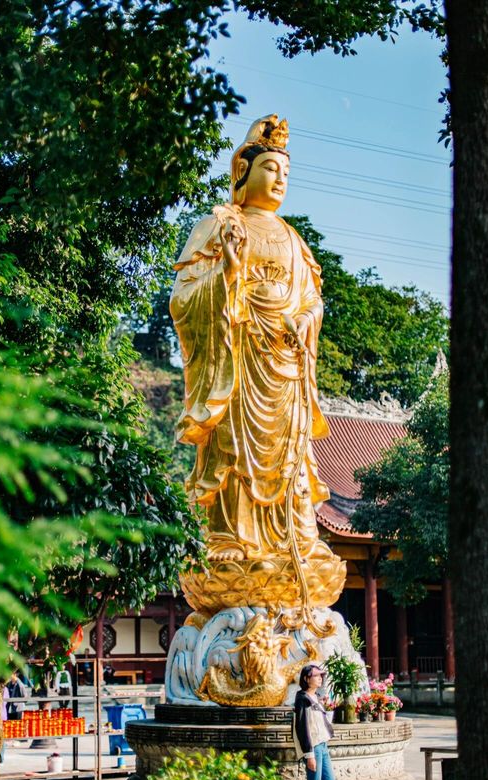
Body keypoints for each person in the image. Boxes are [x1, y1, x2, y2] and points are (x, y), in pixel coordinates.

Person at [170, 114, 343, 596]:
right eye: (271, 168)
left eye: (286, 172)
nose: (280, 179)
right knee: (233, 451)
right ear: (243, 173)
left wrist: (306, 320)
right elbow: (181, 298)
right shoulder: (219, 224)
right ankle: (231, 537)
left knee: (290, 456)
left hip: (286, 367)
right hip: (239, 360)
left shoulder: (294, 239)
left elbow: (311, 298)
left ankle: (296, 541)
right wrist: (225, 271)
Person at [293, 663, 337, 780]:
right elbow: (302, 728)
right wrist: (309, 754)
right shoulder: (302, 698)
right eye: (316, 675)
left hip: (323, 746)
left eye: (321, 675)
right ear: (306, 678)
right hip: (314, 748)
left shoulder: (316, 697)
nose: (320, 678)